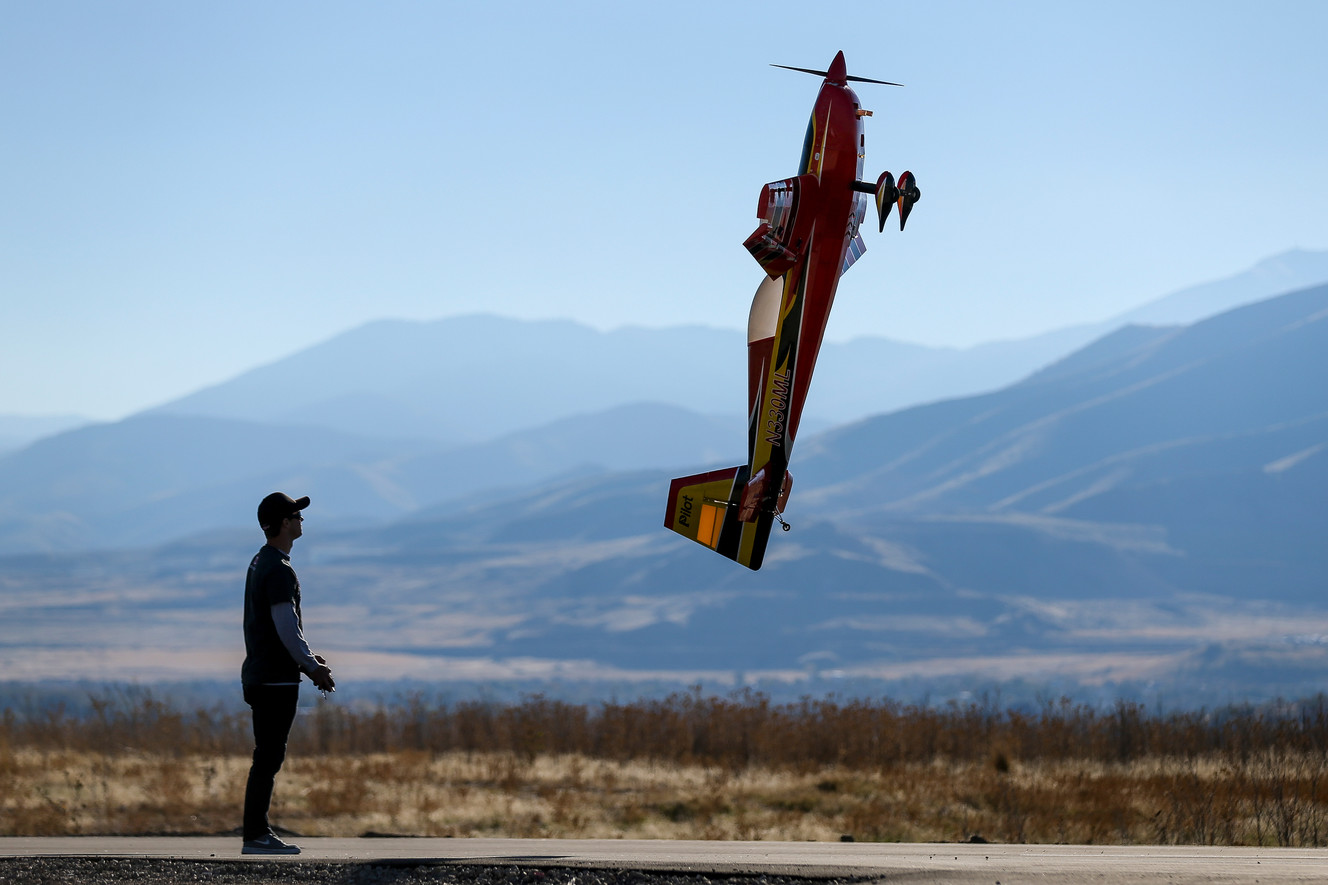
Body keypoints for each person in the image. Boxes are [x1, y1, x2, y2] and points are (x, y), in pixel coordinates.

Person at [240, 492, 336, 856]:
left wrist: (307, 656)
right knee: (269, 757)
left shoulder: (260, 561)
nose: (301, 520)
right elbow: (285, 625)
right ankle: (256, 835)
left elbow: (283, 629)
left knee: (266, 755)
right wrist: (311, 667)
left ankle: (256, 833)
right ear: (284, 523)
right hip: (274, 678)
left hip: (260, 673)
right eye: (296, 515)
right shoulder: (279, 569)